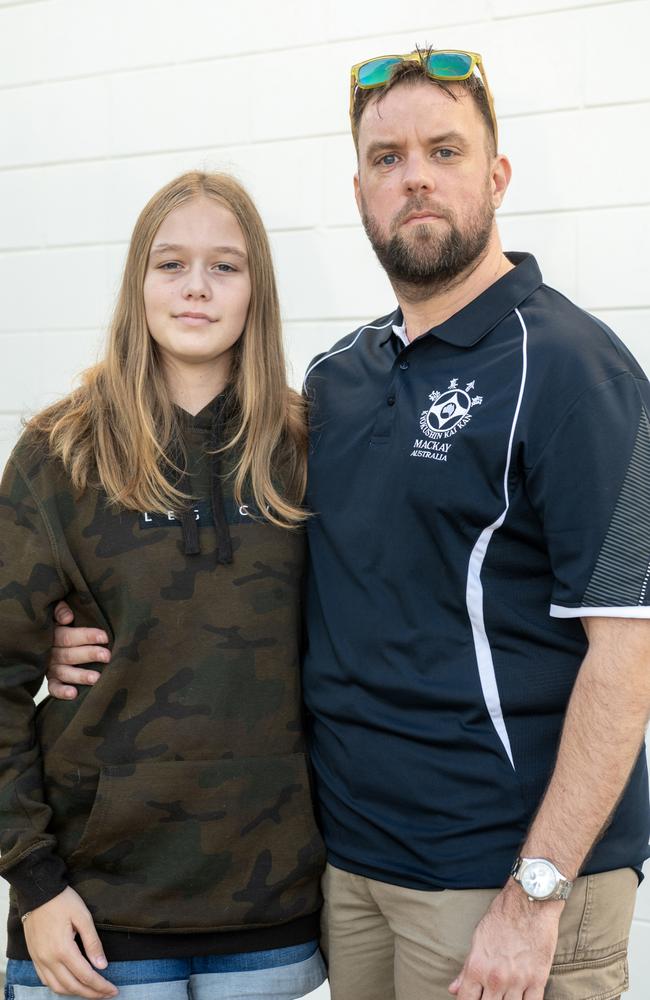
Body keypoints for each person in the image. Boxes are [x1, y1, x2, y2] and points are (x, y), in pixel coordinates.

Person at [45, 48, 650, 1000]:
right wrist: (70, 630)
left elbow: (631, 650)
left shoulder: (584, 371)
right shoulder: (335, 382)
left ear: (496, 176)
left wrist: (536, 895)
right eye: (386, 158)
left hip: (498, 880)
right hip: (350, 874)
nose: (414, 176)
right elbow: (254, 572)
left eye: (444, 151)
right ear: (359, 191)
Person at [0, 171, 327, 1000]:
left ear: (258, 289)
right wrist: (31, 882)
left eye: (226, 266)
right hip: (90, 919)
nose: (195, 288)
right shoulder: (59, 454)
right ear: (136, 282)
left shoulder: (306, 448)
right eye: (170, 263)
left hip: (271, 924)